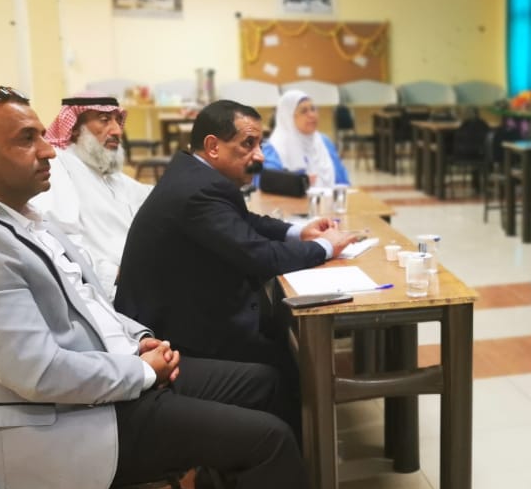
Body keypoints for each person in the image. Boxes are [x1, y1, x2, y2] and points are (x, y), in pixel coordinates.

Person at [0, 86, 319, 489]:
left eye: (43, 135)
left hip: (105, 381)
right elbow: (37, 373)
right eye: (27, 139)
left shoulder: (21, 216)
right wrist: (141, 371)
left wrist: (140, 339)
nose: (48, 150)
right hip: (63, 421)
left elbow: (91, 303)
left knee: (266, 382)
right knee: (268, 438)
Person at [115, 99, 357, 435]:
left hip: (187, 309)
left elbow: (244, 221)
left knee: (284, 333)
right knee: (286, 363)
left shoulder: (195, 173)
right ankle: (293, 452)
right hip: (173, 333)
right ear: (213, 146)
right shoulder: (199, 189)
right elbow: (260, 257)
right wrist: (326, 247)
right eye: (248, 144)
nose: (259, 156)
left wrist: (299, 231)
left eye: (259, 144)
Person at [31, 93, 152, 294]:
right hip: (108, 288)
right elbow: (59, 238)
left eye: (117, 120)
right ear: (75, 129)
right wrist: (113, 274)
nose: (117, 130)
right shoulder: (59, 166)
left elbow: (150, 198)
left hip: (141, 274)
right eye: (104, 120)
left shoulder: (103, 169)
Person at [262, 89, 350, 187]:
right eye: (304, 111)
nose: (312, 115)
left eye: (313, 109)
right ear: (289, 117)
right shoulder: (275, 149)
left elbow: (343, 182)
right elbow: (268, 185)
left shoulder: (324, 142)